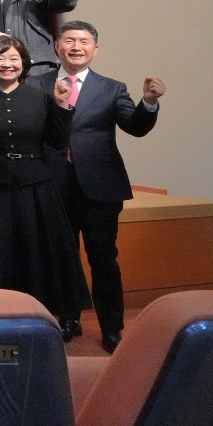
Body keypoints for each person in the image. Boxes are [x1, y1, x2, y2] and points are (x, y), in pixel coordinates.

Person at [39, 20, 164, 352]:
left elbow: (135, 126)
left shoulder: (112, 88)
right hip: (53, 184)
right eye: (69, 40)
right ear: (57, 47)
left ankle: (111, 328)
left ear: (95, 49)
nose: (76, 47)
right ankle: (68, 318)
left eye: (84, 41)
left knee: (104, 258)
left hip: (100, 188)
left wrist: (149, 102)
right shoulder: (37, 85)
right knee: (62, 257)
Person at [0, 35, 84, 332]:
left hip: (35, 184)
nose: (7, 64)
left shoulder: (40, 96)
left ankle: (53, 314)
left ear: (24, 63)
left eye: (14, 58)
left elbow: (57, 141)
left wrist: (62, 104)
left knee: (40, 249)